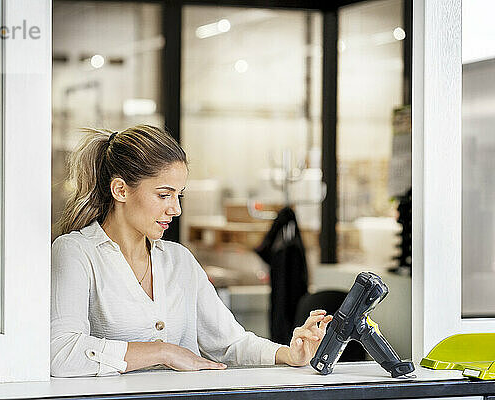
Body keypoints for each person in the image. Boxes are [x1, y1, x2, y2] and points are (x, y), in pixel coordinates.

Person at [50, 125, 332, 377]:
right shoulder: (76, 252)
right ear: (120, 190)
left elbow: (231, 343)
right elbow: (62, 353)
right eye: (164, 195)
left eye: (178, 195)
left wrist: (288, 354)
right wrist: (163, 352)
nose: (176, 209)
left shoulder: (179, 259)